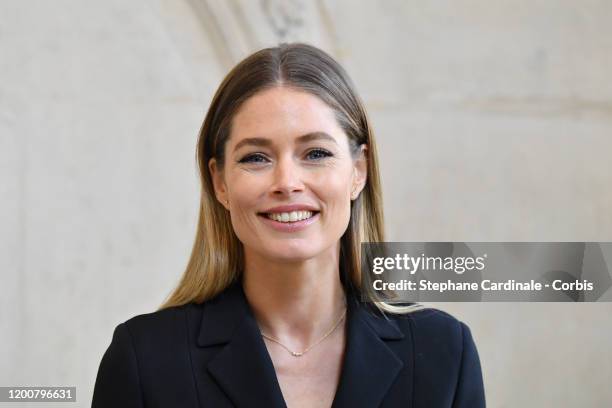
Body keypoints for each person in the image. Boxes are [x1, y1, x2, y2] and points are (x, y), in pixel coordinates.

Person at [92, 42, 485, 408]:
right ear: (219, 182)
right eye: (255, 158)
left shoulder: (444, 352)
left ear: (358, 171)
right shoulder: (145, 360)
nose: (286, 182)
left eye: (315, 153)